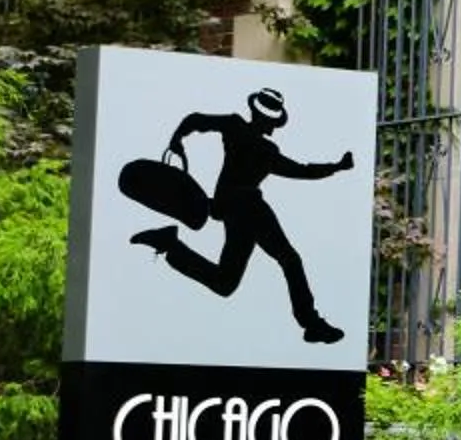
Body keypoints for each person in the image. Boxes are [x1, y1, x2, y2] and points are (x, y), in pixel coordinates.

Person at [130, 88, 356, 345]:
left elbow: (195, 119)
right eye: (272, 121)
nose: (273, 128)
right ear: (267, 119)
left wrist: (177, 138)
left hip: (231, 210)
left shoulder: (234, 128)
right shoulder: (264, 148)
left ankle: (170, 244)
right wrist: (337, 167)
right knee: (289, 259)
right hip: (250, 208)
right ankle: (311, 323)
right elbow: (303, 171)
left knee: (225, 283)